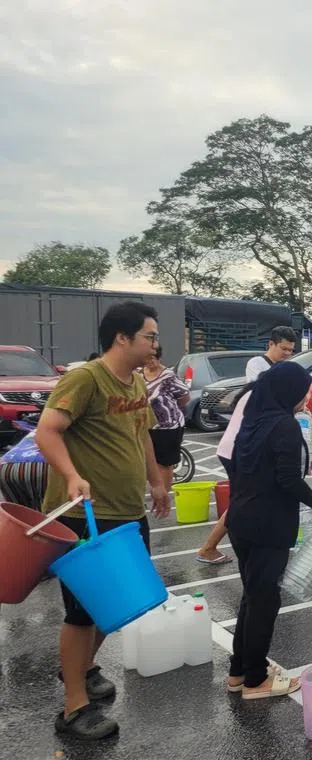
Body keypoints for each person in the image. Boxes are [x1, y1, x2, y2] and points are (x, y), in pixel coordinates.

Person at [36, 301, 171, 740]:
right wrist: (73, 476)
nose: (155, 343)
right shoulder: (84, 378)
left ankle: (81, 668)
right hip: (84, 516)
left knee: (116, 603)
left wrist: (156, 482)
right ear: (122, 338)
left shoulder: (133, 382)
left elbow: (143, 434)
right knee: (81, 613)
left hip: (127, 512)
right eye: (149, 335)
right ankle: (73, 707)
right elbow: (46, 431)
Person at [224, 361, 312, 699]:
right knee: (264, 601)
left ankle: (239, 670)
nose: (307, 398)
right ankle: (256, 679)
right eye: (303, 392)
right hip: (268, 523)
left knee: (252, 595)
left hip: (241, 519)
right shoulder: (284, 426)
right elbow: (288, 480)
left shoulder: (253, 420)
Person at [196, 385, 250, 564]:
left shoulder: (255, 391)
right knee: (242, 501)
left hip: (233, 450)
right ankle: (208, 548)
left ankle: (209, 547)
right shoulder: (263, 395)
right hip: (237, 452)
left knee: (242, 499)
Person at [141, 345, 190, 496]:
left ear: (159, 358)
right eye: (147, 359)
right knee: (149, 461)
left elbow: (184, 395)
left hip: (169, 426)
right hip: (147, 425)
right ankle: (155, 490)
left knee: (165, 463)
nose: (150, 362)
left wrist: (172, 409)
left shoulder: (168, 376)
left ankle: (164, 494)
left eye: (153, 359)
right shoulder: (138, 374)